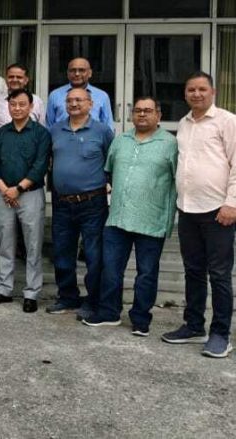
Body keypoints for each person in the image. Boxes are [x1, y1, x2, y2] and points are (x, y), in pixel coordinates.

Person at [81, 96, 177, 336]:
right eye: (138, 110)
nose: (142, 114)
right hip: (118, 218)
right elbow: (109, 172)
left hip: (152, 219)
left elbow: (178, 181)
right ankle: (109, 312)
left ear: (158, 115)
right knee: (111, 269)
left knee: (146, 273)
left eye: (148, 110)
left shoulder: (170, 143)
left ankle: (141, 319)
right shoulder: (120, 140)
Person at [162, 71, 236, 358]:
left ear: (213, 92)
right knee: (193, 271)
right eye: (191, 89)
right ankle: (194, 326)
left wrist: (232, 203)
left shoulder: (227, 121)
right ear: (185, 94)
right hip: (188, 208)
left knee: (219, 274)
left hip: (218, 210)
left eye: (202, 89)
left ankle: (220, 334)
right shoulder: (184, 123)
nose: (196, 94)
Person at [46, 88, 113, 319]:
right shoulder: (55, 130)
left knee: (94, 255)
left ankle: (93, 301)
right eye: (69, 100)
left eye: (79, 100)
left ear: (90, 103)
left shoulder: (102, 131)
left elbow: (111, 162)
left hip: (93, 203)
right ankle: (67, 297)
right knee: (62, 251)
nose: (73, 104)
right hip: (62, 202)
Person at [0, 89, 51, 313]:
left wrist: (19, 188)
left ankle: (31, 293)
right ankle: (3, 289)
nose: (17, 108)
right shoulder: (2, 133)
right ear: (8, 106)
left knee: (33, 245)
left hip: (30, 194)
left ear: (31, 106)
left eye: (22, 104)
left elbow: (41, 165)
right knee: (5, 244)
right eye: (13, 104)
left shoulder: (41, 133)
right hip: (3, 194)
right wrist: (4, 188)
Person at [46, 57, 113, 129]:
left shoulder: (102, 96)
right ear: (67, 73)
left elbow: (108, 127)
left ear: (90, 73)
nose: (77, 74)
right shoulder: (55, 95)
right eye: (72, 70)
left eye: (81, 70)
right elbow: (49, 126)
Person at [0, 64, 45, 132]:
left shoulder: (36, 101)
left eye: (19, 77)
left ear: (26, 80)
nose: (14, 80)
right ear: (6, 79)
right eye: (11, 77)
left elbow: (42, 129)